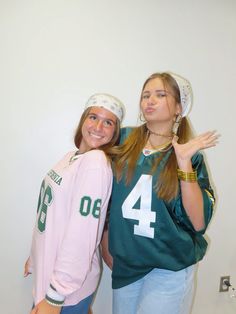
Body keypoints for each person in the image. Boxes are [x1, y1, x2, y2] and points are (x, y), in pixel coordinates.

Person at [101, 72, 219, 314]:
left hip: (168, 268)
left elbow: (198, 223)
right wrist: (105, 242)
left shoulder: (189, 154)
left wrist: (183, 162)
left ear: (179, 107)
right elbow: (104, 197)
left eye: (160, 94)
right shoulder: (122, 141)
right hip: (126, 266)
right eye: (145, 95)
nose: (149, 101)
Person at [24, 93, 125, 314]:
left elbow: (82, 235)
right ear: (83, 121)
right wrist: (35, 257)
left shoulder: (96, 163)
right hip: (49, 276)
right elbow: (50, 213)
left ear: (114, 132)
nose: (98, 126)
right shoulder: (70, 157)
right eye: (93, 117)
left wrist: (55, 296)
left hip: (63, 292)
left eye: (108, 122)